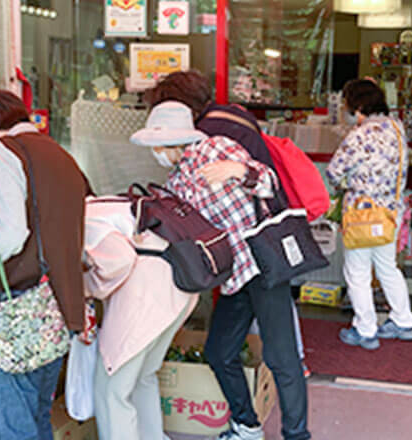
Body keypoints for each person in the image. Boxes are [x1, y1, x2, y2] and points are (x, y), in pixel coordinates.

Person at [131, 101, 310, 440]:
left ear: (174, 140)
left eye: (157, 145)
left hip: (263, 264)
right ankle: (247, 425)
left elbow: (269, 182)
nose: (155, 152)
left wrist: (240, 172)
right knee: (219, 351)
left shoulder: (218, 147)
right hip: (234, 275)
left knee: (281, 356)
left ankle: (297, 435)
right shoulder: (177, 179)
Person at [145, 70, 311, 375]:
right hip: (265, 227)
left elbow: (226, 190)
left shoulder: (209, 135)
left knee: (264, 324)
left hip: (250, 241)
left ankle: (283, 371)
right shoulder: (232, 114)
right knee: (270, 314)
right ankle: (287, 365)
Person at [0, 89, 89, 439]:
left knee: (11, 427)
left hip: (19, 311)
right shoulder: (60, 154)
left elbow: (10, 233)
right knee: (38, 418)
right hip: (60, 310)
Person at [83, 195, 198, 440]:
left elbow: (119, 261)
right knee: (144, 377)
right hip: (180, 291)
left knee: (112, 390)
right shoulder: (114, 203)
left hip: (146, 300)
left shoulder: (86, 217)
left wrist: (84, 287)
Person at [326, 79, 412, 351]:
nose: (346, 110)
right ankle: (403, 321)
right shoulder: (397, 128)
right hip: (391, 212)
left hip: (362, 215)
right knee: (388, 267)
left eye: (348, 105)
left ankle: (365, 329)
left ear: (360, 106)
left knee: (357, 272)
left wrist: (346, 185)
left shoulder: (359, 135)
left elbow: (333, 171)